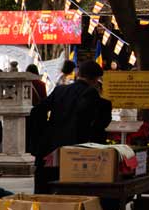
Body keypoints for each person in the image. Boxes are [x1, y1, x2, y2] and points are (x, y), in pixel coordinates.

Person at [29, 61, 112, 193]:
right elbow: (97, 123)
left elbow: (37, 111)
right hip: (77, 149)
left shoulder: (60, 90)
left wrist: (45, 132)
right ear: (96, 79)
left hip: (51, 147)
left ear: (78, 74)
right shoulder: (91, 93)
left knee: (46, 189)